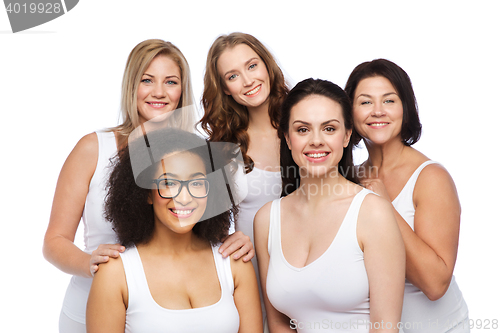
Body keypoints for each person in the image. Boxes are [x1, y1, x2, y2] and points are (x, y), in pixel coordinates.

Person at [42, 39, 254, 333]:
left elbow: (203, 227)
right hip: (92, 301)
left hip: (166, 311)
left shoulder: (195, 153)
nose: (159, 92)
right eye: (147, 80)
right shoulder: (94, 148)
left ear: (182, 90)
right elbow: (54, 241)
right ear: (132, 86)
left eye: (170, 81)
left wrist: (235, 240)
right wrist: (93, 263)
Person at [254, 78, 406, 332]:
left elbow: (385, 327)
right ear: (288, 139)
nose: (316, 140)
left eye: (329, 129)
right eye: (303, 129)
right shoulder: (267, 219)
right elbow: (279, 322)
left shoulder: (372, 212)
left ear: (347, 136)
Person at [86, 128, 263, 333]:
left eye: (196, 182)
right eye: (169, 183)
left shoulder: (233, 262)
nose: (184, 197)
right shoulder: (115, 273)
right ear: (146, 194)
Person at [344, 58, 469, 333]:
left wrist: (384, 206)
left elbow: (435, 284)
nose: (377, 111)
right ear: (349, 113)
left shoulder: (431, 178)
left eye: (389, 101)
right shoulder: (349, 179)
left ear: (405, 108)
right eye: (365, 102)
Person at [199, 32, 289, 327]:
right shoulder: (223, 145)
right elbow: (205, 225)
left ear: (267, 65)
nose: (248, 81)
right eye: (233, 76)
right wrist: (225, 238)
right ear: (224, 88)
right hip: (250, 275)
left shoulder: (303, 124)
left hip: (307, 269)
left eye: (252, 66)